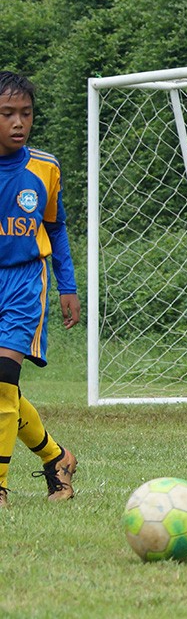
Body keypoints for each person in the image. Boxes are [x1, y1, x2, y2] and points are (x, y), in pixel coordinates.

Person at [0, 71, 80, 508]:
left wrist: (68, 285)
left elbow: (56, 226)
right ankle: (56, 457)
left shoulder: (44, 167)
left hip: (25, 282)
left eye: (26, 113)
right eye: (7, 113)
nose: (19, 123)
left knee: (3, 379)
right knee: (3, 390)